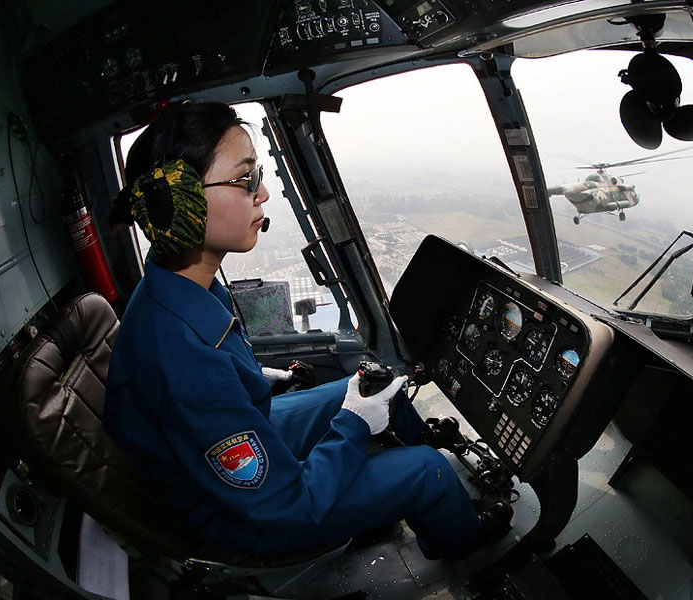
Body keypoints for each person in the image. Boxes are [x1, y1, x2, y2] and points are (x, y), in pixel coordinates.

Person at [104, 101, 493, 560]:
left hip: (242, 445)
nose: (263, 193)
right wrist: (354, 424)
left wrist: (262, 378)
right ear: (179, 203)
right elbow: (283, 503)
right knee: (428, 470)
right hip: (242, 520)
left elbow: (215, 387)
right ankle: (461, 536)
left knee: (376, 386)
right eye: (245, 178)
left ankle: (418, 468)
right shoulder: (181, 357)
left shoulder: (176, 286)